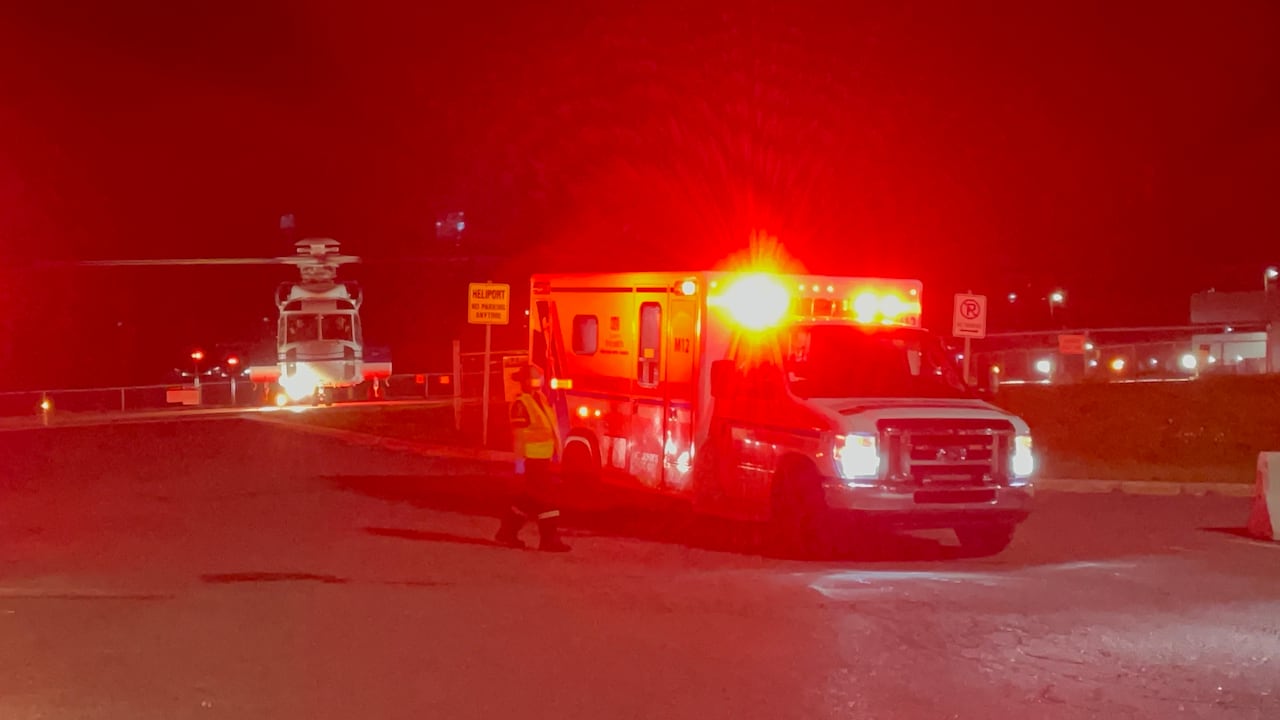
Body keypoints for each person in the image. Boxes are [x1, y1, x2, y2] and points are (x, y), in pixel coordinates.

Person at [495, 364, 571, 552]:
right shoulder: (521, 405)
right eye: (536, 379)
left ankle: (506, 533)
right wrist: (520, 467)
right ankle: (549, 539)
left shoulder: (540, 399)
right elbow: (519, 438)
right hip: (531, 460)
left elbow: (549, 429)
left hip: (543, 459)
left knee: (528, 500)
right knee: (547, 500)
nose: (539, 383)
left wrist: (556, 456)